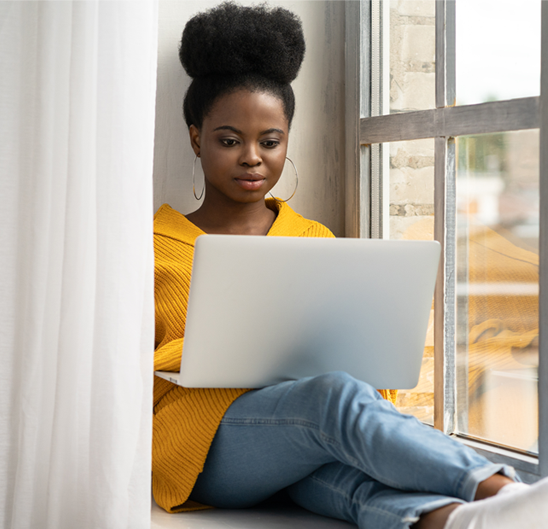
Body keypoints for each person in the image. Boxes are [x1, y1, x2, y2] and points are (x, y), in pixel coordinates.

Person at [152, 3, 548, 528]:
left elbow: (370, 382)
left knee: (353, 482)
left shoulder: (315, 241)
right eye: (230, 141)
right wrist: (219, 344)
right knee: (330, 396)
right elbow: (113, 372)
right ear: (197, 138)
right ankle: (501, 488)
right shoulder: (151, 246)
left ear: (287, 140)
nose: (252, 157)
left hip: (300, 442)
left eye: (270, 142)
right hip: (203, 448)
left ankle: (460, 521)